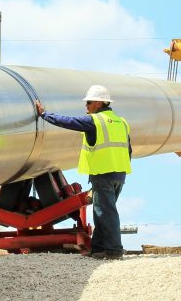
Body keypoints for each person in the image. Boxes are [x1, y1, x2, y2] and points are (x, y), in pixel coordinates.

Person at [35, 85, 131, 260]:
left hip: (103, 173)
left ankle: (114, 250)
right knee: (102, 210)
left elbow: (69, 122)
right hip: (120, 174)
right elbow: (128, 149)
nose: (86, 106)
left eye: (88, 102)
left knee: (105, 212)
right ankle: (99, 249)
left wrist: (44, 114)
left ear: (100, 103)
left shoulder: (96, 121)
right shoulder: (121, 122)